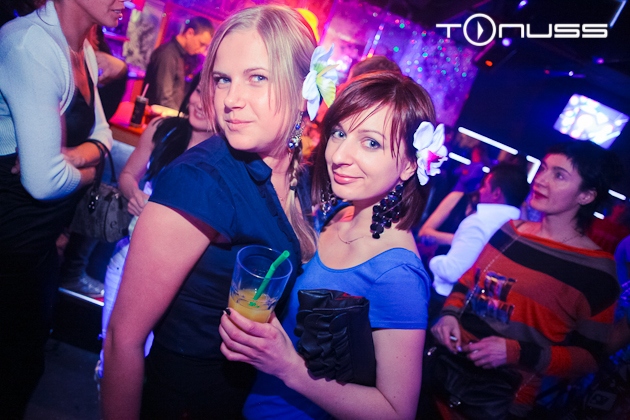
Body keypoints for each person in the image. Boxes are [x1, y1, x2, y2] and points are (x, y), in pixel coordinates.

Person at [102, 6, 319, 419]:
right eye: (222, 80)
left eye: (257, 78)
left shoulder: (300, 177)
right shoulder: (200, 181)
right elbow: (122, 341)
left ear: (302, 87)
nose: (231, 100)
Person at [220, 71, 448, 419]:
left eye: (371, 143)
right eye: (339, 133)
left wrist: (289, 367)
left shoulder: (397, 275)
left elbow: (396, 412)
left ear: (408, 165)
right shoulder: (339, 214)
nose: (340, 155)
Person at [430, 140, 623, 417]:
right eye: (543, 169)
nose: (540, 180)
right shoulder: (511, 231)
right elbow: (467, 281)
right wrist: (449, 314)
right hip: (443, 373)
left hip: (499, 402)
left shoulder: (597, 271)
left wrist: (517, 352)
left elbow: (589, 357)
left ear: (586, 195)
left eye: (559, 175)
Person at [0, 0, 118, 416]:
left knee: (25, 367)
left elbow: (104, 135)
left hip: (40, 244)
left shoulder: (83, 51)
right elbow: (42, 181)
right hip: (10, 241)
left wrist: (72, 157)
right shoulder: (30, 44)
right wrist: (89, 172)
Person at [96, 75, 209, 379]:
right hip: (127, 260)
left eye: (211, 99)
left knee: (150, 367)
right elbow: (127, 175)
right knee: (113, 355)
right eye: (198, 92)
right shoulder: (163, 130)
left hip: (177, 279)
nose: (200, 103)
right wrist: (133, 194)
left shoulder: (222, 159)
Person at [429, 163, 529, 299]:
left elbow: (452, 272)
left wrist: (432, 260)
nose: (480, 191)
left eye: (484, 186)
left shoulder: (479, 221)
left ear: (496, 193)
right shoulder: (523, 228)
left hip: (449, 299)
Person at [143, 16, 214, 110]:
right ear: (189, 33)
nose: (202, 50)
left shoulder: (182, 55)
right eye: (201, 44)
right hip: (157, 116)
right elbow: (164, 99)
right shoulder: (167, 54)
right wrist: (179, 117)